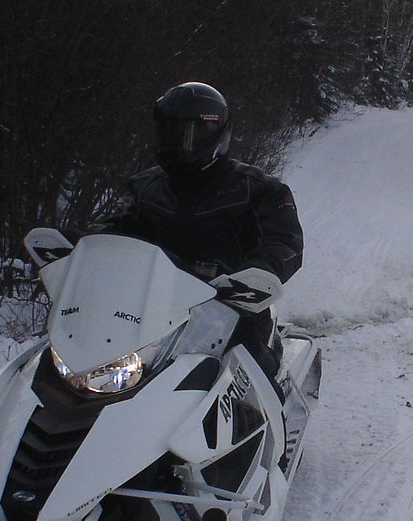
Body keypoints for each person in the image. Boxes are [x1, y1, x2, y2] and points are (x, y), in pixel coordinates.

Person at [92, 81, 303, 382]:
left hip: (230, 308)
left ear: (215, 133)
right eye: (171, 132)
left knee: (251, 377)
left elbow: (284, 241)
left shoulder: (258, 189)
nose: (179, 143)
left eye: (190, 134)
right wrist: (85, 246)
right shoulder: (144, 188)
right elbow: (116, 230)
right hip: (146, 308)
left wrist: (257, 271)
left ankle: (272, 422)